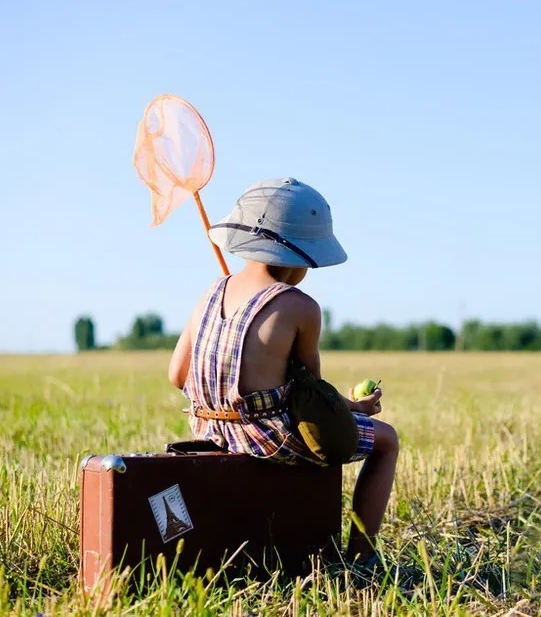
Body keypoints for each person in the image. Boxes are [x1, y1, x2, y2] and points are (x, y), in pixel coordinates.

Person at [167, 177, 399, 564]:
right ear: (301, 259)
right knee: (387, 440)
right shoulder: (300, 307)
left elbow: (177, 376)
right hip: (266, 437)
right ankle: (362, 560)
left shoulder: (211, 291)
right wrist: (353, 408)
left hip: (209, 428)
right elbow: (312, 398)